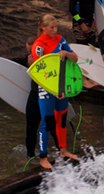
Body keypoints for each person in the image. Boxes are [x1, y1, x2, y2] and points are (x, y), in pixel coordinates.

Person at [31, 15, 79, 169]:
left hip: (61, 87)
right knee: (47, 122)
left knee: (62, 119)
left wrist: (66, 54)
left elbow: (75, 58)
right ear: (43, 28)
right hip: (46, 88)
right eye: (51, 27)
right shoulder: (39, 45)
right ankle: (43, 157)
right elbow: (39, 71)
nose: (55, 30)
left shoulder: (60, 39)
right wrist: (53, 89)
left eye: (56, 27)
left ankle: (63, 150)